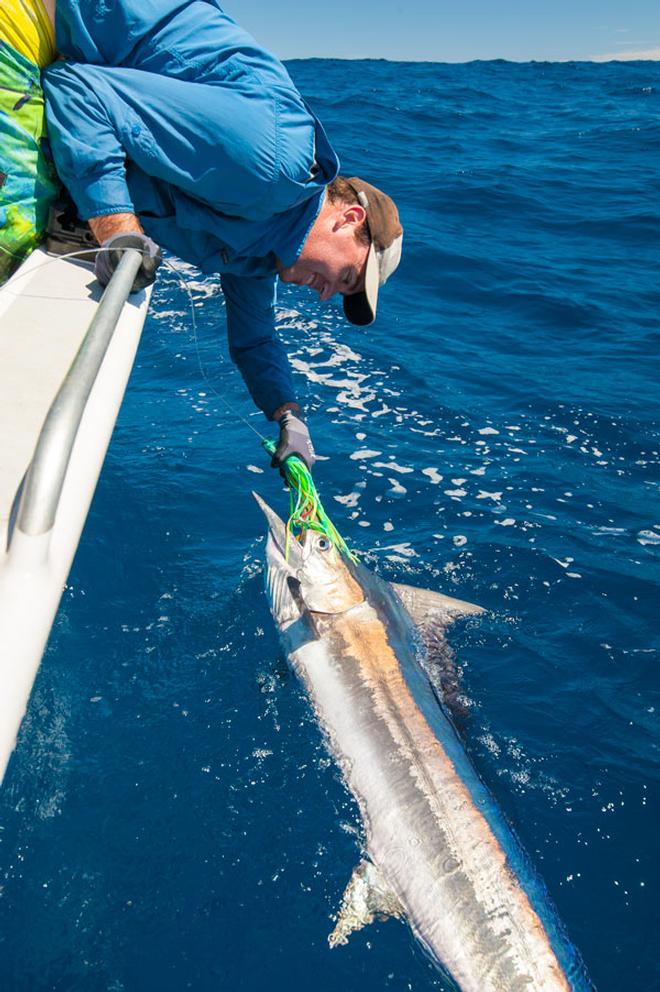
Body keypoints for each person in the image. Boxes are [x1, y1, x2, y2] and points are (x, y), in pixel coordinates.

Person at [23, 2, 405, 468]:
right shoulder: (272, 167)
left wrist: (288, 415)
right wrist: (115, 227)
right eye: (345, 276)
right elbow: (78, 90)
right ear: (348, 219)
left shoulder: (261, 253)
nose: (326, 295)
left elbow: (254, 340)